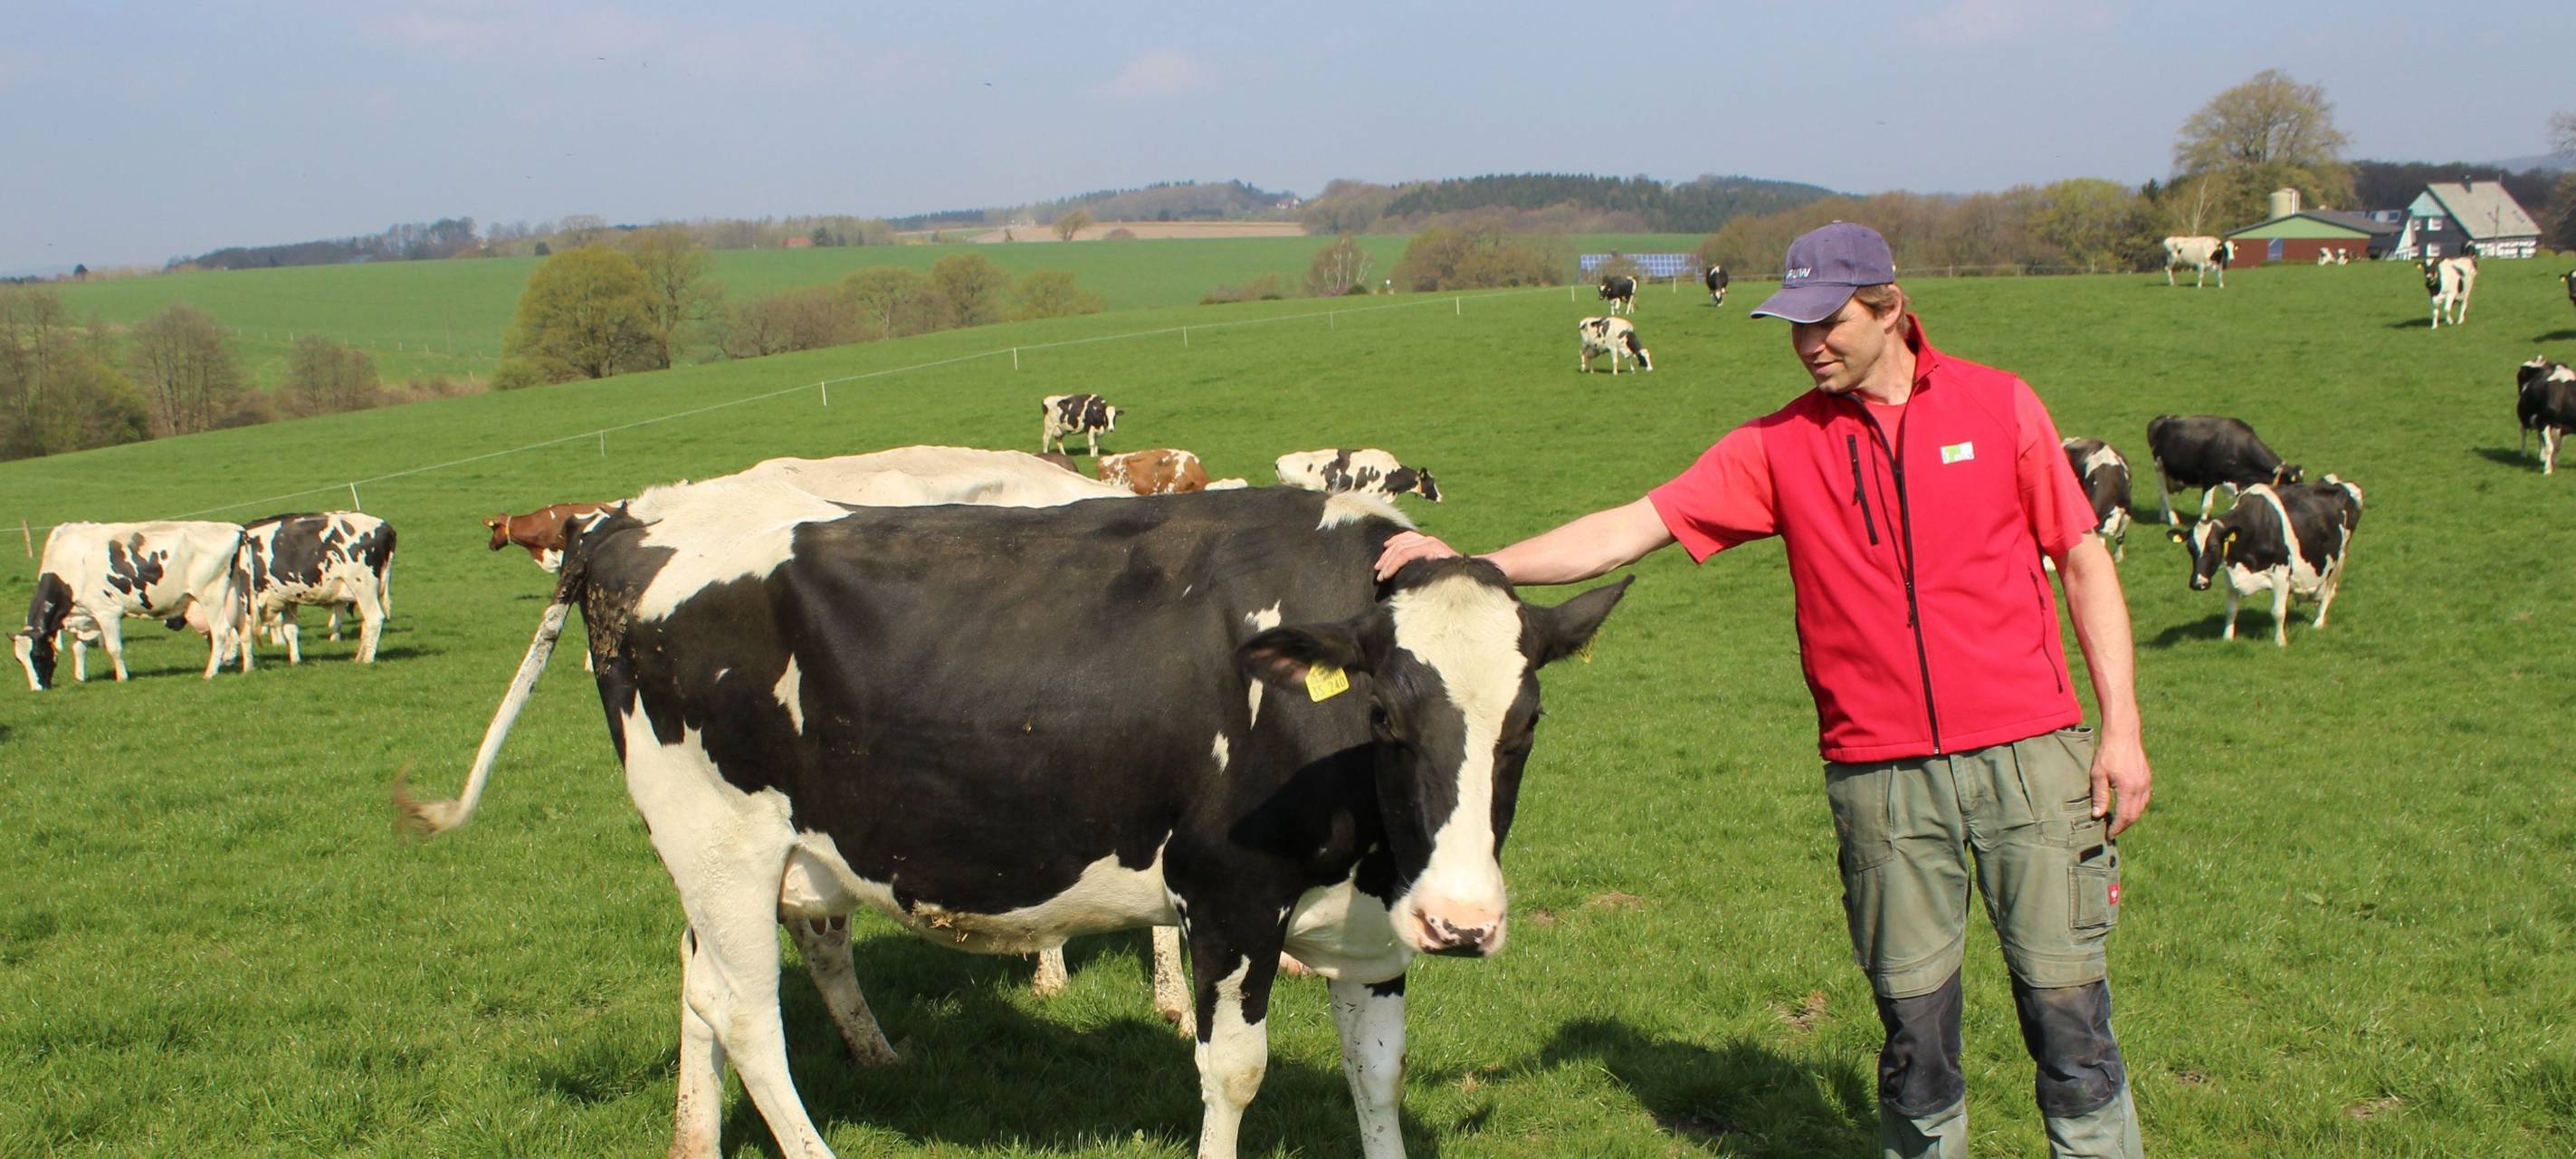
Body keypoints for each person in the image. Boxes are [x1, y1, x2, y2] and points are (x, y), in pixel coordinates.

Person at [1375, 222, 2151, 1158]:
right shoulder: (1780, 447)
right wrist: (1473, 563)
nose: (1808, 342)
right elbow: (1632, 527)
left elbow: (2080, 558)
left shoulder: (1999, 408)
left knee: (2069, 1021)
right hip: (1880, 778)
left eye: (1828, 321)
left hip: (2030, 756)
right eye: (1793, 325)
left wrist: (2121, 731)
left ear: (1890, 309)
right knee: (1916, 1038)